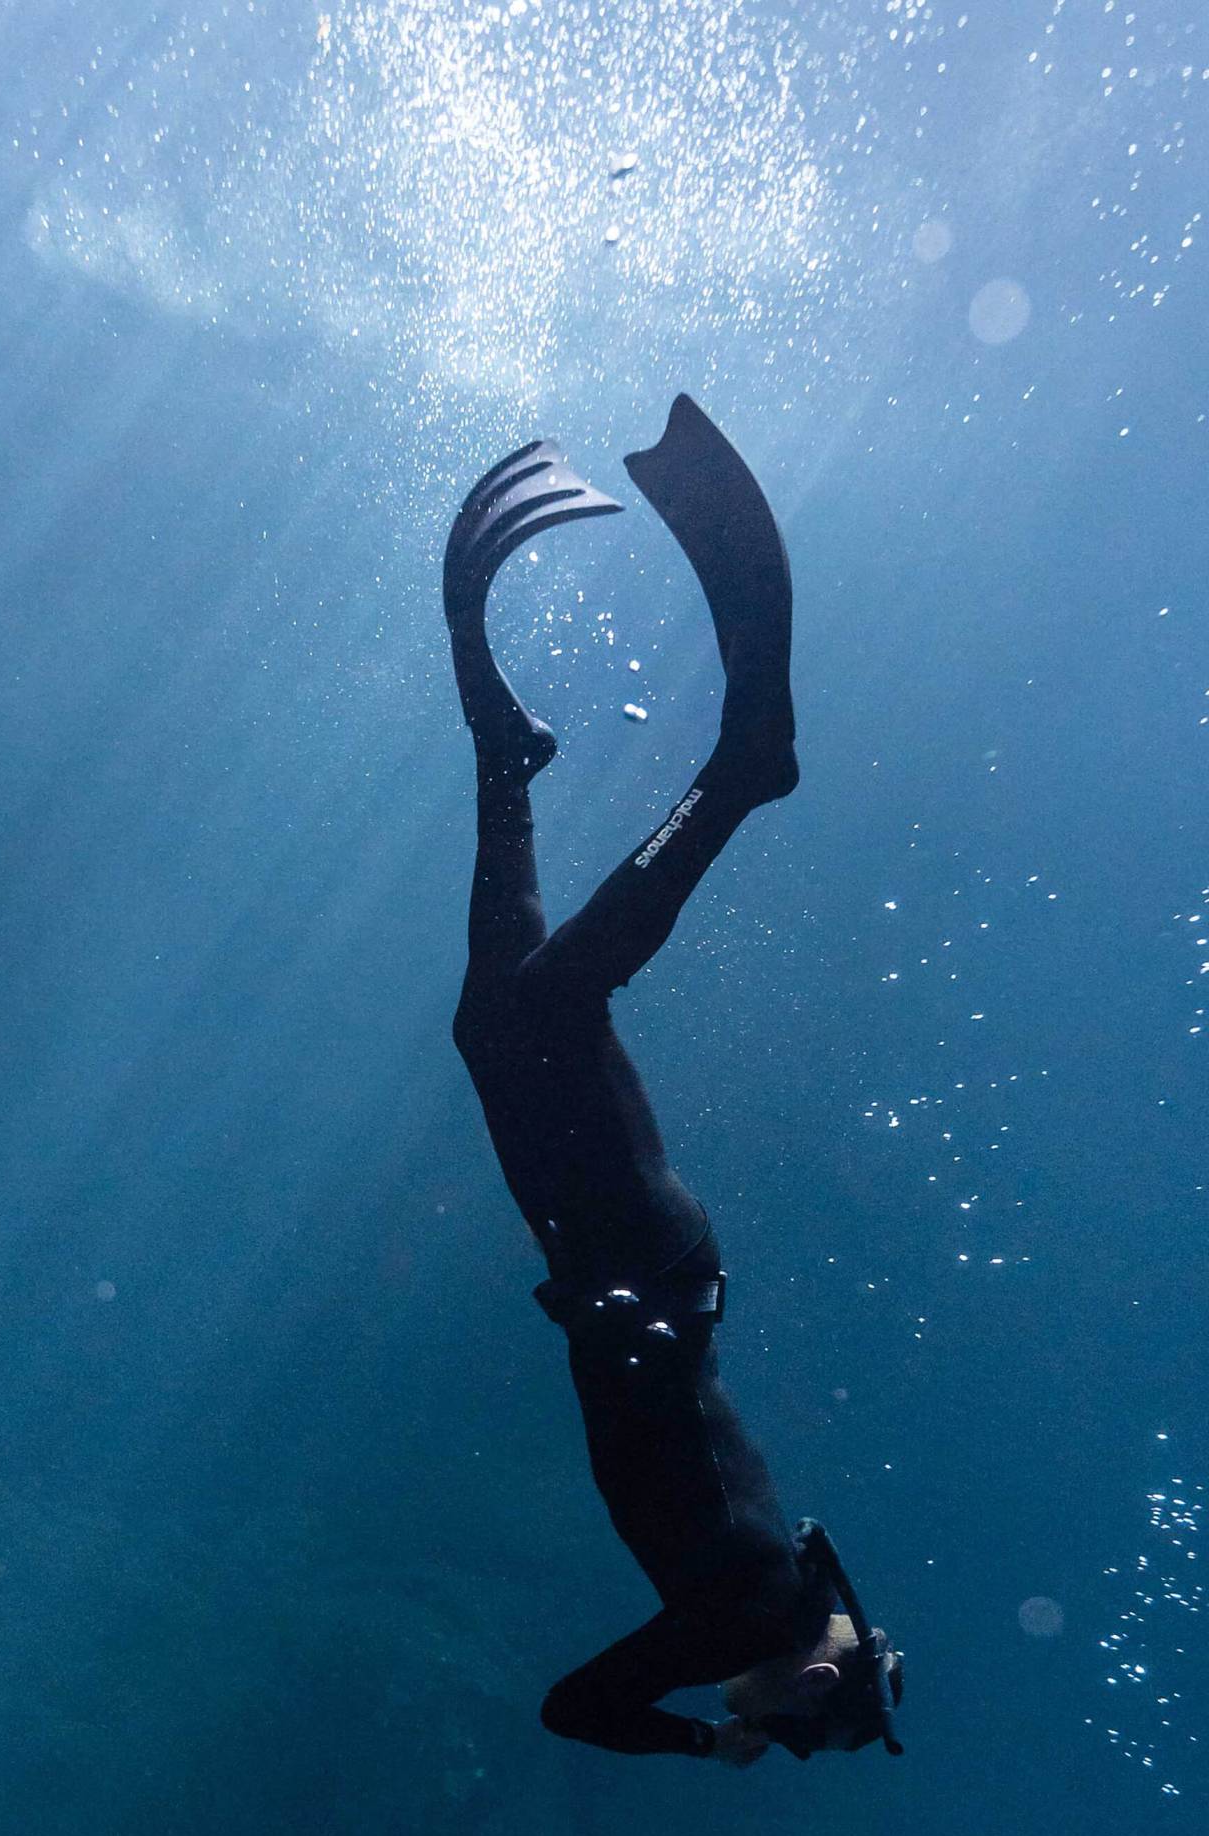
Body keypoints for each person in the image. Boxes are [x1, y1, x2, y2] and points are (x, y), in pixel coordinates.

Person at [444, 395, 902, 1765]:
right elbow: (575, 1709)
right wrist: (711, 1744)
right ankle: (745, 768)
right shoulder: (747, 1622)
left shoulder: (772, 1604)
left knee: (501, 1023)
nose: (785, 1736)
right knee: (552, 1005)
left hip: (626, 1265)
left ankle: (507, 762)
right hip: (629, 1258)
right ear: (820, 1692)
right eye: (813, 1735)